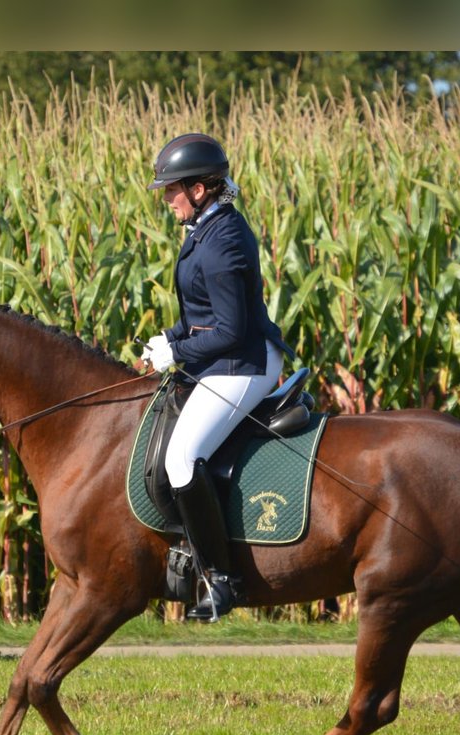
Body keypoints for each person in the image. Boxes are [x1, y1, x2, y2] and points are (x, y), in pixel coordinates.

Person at [141, 132, 293, 622]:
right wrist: (168, 339)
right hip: (222, 357)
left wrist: (178, 351)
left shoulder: (223, 239)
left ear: (199, 190)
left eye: (171, 190)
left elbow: (230, 331)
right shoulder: (204, 229)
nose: (166, 200)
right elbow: (200, 312)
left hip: (243, 363)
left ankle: (221, 579)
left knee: (182, 459)